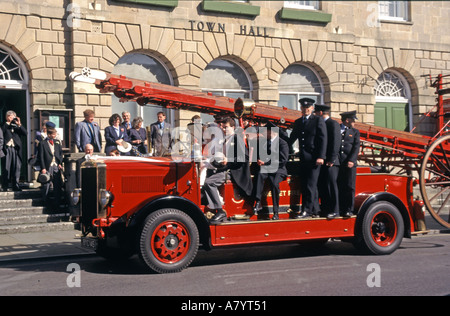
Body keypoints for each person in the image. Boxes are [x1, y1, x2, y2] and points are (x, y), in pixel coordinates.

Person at [203, 117, 253, 223]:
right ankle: (211, 207)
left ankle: (220, 210)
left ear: (233, 127)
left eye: (226, 127)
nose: (224, 129)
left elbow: (245, 158)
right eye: (223, 127)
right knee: (206, 177)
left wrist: (228, 160)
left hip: (234, 172)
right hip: (226, 169)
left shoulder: (237, 139)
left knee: (209, 183)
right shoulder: (225, 140)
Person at [289, 98, 327, 218]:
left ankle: (307, 210)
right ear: (301, 108)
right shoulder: (299, 122)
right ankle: (315, 209)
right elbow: (292, 138)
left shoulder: (317, 120)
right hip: (304, 158)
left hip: (314, 158)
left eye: (308, 108)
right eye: (303, 108)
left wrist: (321, 156)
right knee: (306, 184)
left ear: (311, 108)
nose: (305, 109)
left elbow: (323, 139)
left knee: (310, 185)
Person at [253, 122, 289, 220]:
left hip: (279, 169)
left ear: (272, 132)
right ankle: (257, 202)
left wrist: (266, 162)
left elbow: (282, 160)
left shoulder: (282, 143)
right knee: (259, 175)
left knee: (274, 183)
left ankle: (276, 211)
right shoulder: (264, 142)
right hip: (267, 168)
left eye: (266, 131)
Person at [315, 104, 341, 219]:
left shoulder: (333, 124)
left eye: (316, 112)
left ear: (320, 113)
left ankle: (335, 210)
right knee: (324, 186)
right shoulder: (321, 124)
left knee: (332, 185)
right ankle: (325, 209)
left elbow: (336, 143)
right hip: (323, 161)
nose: (315, 114)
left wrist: (331, 159)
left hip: (332, 162)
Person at [338, 110, 360, 217]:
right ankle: (339, 208)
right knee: (339, 185)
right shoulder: (337, 129)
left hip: (349, 163)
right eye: (353, 120)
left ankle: (348, 209)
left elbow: (356, 147)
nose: (354, 122)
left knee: (349, 186)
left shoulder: (355, 132)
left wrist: (351, 160)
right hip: (339, 162)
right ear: (347, 120)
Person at [38, 126, 63, 211]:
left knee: (57, 184)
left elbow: (60, 154)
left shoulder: (57, 142)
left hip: (56, 165)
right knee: (46, 185)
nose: (55, 136)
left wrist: (60, 163)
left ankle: (57, 203)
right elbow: (41, 157)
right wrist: (43, 168)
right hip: (47, 166)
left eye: (55, 134)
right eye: (53, 134)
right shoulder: (42, 143)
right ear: (49, 135)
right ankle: (45, 202)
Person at [1, 111, 27, 191]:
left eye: (12, 117)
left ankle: (16, 185)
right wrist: (7, 123)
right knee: (6, 167)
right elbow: (2, 131)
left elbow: (25, 133)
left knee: (16, 167)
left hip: (16, 148)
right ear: (6, 117)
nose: (11, 118)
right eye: (9, 116)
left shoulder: (17, 125)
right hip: (7, 148)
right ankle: (5, 186)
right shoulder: (3, 125)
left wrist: (19, 124)